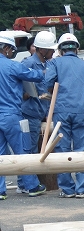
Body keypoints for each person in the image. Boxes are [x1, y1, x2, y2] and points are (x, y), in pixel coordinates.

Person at [44, 33, 84, 198]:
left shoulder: (55, 63)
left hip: (61, 111)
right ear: (77, 49)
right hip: (81, 110)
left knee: (62, 150)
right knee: (81, 149)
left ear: (61, 49)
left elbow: (48, 84)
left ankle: (67, 189)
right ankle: (82, 189)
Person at [0, 33, 47, 200]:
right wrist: (45, 70)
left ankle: (0, 191)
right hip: (11, 115)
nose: (12, 53)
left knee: (0, 155)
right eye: (11, 50)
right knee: (23, 152)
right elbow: (36, 76)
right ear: (5, 48)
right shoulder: (12, 66)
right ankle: (32, 186)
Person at [17, 31, 58, 193]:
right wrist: (27, 94)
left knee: (36, 147)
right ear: (42, 50)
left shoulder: (47, 64)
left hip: (41, 112)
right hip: (30, 113)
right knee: (29, 148)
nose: (53, 52)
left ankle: (28, 182)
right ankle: (24, 183)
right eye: (51, 50)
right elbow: (21, 89)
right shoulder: (28, 64)